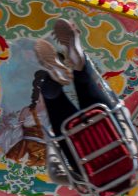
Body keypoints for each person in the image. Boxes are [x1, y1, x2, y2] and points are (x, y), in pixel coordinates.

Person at [31, 18, 118, 186]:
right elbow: (56, 173)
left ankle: (78, 61)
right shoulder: (88, 183)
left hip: (109, 132)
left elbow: (125, 116)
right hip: (78, 146)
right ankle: (53, 80)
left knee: (89, 89)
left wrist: (120, 111)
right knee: (55, 104)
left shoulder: (133, 164)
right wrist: (51, 143)